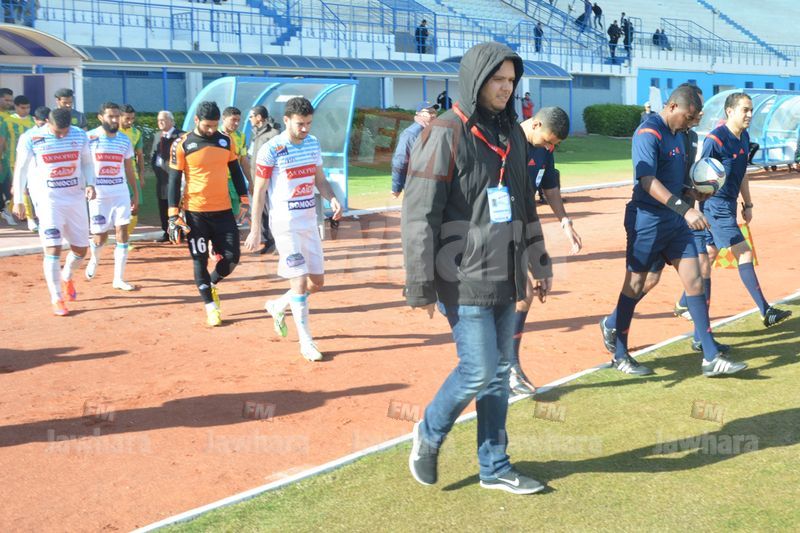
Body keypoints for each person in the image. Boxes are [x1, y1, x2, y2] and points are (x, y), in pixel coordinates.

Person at [402, 42, 553, 494]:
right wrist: (420, 285)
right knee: (479, 369)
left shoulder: (514, 135)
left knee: (499, 373)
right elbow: (419, 214)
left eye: (511, 81)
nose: (506, 88)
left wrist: (538, 260)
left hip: (506, 269)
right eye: (497, 80)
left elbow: (524, 202)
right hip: (461, 272)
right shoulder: (445, 132)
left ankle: (495, 466)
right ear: (475, 80)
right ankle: (429, 432)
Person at [600, 85, 747, 377]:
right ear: (672, 107)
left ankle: (710, 356)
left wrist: (693, 192)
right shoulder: (648, 132)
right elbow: (647, 181)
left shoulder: (683, 135)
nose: (691, 123)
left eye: (694, 119)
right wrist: (685, 209)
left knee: (695, 278)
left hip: (676, 222)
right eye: (689, 117)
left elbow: (676, 180)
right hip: (647, 220)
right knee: (637, 283)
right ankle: (620, 352)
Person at [244, 97, 343, 362]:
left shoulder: (312, 143)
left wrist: (332, 198)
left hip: (309, 222)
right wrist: (255, 228)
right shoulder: (271, 149)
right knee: (299, 281)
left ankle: (278, 305)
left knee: (316, 283)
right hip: (284, 225)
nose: (305, 129)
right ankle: (306, 342)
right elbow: (259, 191)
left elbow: (320, 180)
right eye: (300, 124)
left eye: (309, 123)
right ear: (286, 120)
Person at [691, 93, 791, 328]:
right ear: (730, 111)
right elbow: (701, 176)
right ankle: (766, 311)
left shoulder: (744, 136)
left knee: (709, 255)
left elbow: (743, 172)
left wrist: (748, 204)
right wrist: (703, 208)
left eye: (751, 110)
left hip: (729, 205)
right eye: (745, 110)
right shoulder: (715, 140)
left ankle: (685, 303)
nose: (750, 114)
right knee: (744, 253)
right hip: (715, 206)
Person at [509, 107, 582, 396]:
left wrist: (565, 222)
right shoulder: (506, 141)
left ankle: (505, 365)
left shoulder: (544, 151)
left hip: (522, 223)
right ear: (536, 124)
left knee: (524, 294)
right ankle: (507, 367)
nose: (550, 147)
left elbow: (549, 189)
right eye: (549, 140)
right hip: (490, 227)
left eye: (555, 145)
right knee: (521, 293)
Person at [167, 101, 249, 327]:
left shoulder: (226, 140)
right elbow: (173, 180)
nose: (212, 130)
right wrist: (173, 214)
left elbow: (235, 170)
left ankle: (211, 284)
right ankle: (211, 307)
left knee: (232, 258)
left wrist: (244, 199)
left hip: (223, 211)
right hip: (196, 213)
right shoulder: (182, 144)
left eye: (214, 125)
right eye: (207, 126)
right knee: (199, 260)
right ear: (196, 121)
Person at [12, 108, 97, 316]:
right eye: (58, 132)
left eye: (65, 131)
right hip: (47, 200)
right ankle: (57, 298)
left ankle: (67, 276)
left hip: (75, 199)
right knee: (53, 248)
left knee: (81, 250)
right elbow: (21, 169)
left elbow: (87, 162)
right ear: (47, 123)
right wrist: (18, 200)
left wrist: (90, 183)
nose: (62, 135)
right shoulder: (31, 138)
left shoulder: (79, 135)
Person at [84, 102, 139, 290]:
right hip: (98, 195)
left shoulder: (124, 140)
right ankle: (94, 258)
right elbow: (82, 164)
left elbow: (129, 168)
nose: (115, 120)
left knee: (122, 232)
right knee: (100, 237)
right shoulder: (89, 138)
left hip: (120, 193)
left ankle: (118, 279)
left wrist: (135, 193)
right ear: (101, 117)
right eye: (111, 116)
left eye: (117, 116)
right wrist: (87, 185)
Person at [248, 105, 280, 253]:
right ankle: (268, 241)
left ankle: (277, 242)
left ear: (259, 117)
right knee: (262, 213)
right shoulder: (256, 133)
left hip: (270, 180)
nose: (250, 119)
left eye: (251, 116)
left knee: (272, 211)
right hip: (257, 179)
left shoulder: (273, 134)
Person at [391, 101, 437, 198]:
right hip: (417, 185)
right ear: (418, 114)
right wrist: (397, 187)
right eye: (429, 112)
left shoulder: (436, 130)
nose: (433, 114)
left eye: (434, 111)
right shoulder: (410, 134)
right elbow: (400, 161)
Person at [4, 95, 36, 230]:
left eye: (28, 107)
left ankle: (7, 209)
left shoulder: (33, 121)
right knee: (23, 189)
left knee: (21, 188)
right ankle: (30, 219)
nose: (26, 110)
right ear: (16, 107)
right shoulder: (7, 121)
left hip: (31, 160)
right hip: (13, 160)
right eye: (23, 108)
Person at [151, 110, 183, 242]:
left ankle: (180, 232)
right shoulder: (157, 135)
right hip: (161, 178)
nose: (160, 122)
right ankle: (167, 232)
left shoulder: (181, 136)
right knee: (163, 204)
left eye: (163, 120)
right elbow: (154, 154)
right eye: (158, 120)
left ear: (171, 121)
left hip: (176, 178)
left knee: (176, 205)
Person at [221, 106, 252, 224]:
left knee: (236, 211)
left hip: (234, 180)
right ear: (224, 118)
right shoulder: (215, 135)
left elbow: (244, 160)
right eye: (233, 120)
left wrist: (251, 181)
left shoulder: (240, 136)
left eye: (238, 120)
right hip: (218, 180)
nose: (236, 123)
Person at [119, 104, 145, 237]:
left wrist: (141, 175)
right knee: (119, 209)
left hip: (132, 174)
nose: (130, 121)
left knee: (134, 208)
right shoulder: (112, 131)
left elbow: (139, 155)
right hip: (115, 176)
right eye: (127, 118)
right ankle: (117, 238)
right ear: (119, 117)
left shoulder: (136, 133)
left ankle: (125, 238)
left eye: (132, 118)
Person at [0, 87, 15, 225]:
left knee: (8, 188)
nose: (10, 103)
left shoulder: (11, 117)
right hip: (2, 158)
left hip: (8, 159)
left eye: (11, 100)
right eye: (7, 100)